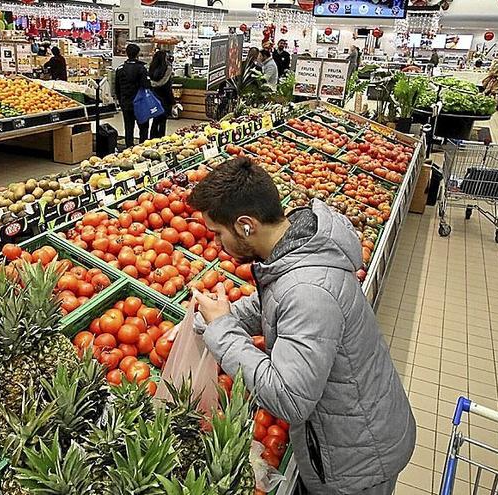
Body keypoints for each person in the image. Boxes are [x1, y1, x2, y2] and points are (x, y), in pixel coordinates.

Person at [187, 157, 416, 495]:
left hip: (356, 459)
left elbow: (289, 398)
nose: (219, 243)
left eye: (219, 233)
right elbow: (274, 303)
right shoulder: (295, 249)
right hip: (352, 427)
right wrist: (221, 317)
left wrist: (223, 332)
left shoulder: (308, 290)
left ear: (245, 225)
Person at [114, 43, 150, 146]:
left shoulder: (120, 69)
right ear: (137, 54)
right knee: (143, 127)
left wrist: (121, 101)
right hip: (140, 103)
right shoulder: (141, 69)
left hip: (126, 103)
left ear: (126, 53)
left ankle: (129, 147)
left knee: (128, 127)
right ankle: (143, 147)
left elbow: (117, 88)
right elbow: (145, 85)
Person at [148, 50, 175, 139]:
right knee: (163, 122)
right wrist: (172, 101)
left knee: (155, 121)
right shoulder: (167, 70)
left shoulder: (151, 69)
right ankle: (161, 139)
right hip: (165, 99)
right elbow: (167, 89)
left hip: (154, 99)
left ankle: (152, 138)